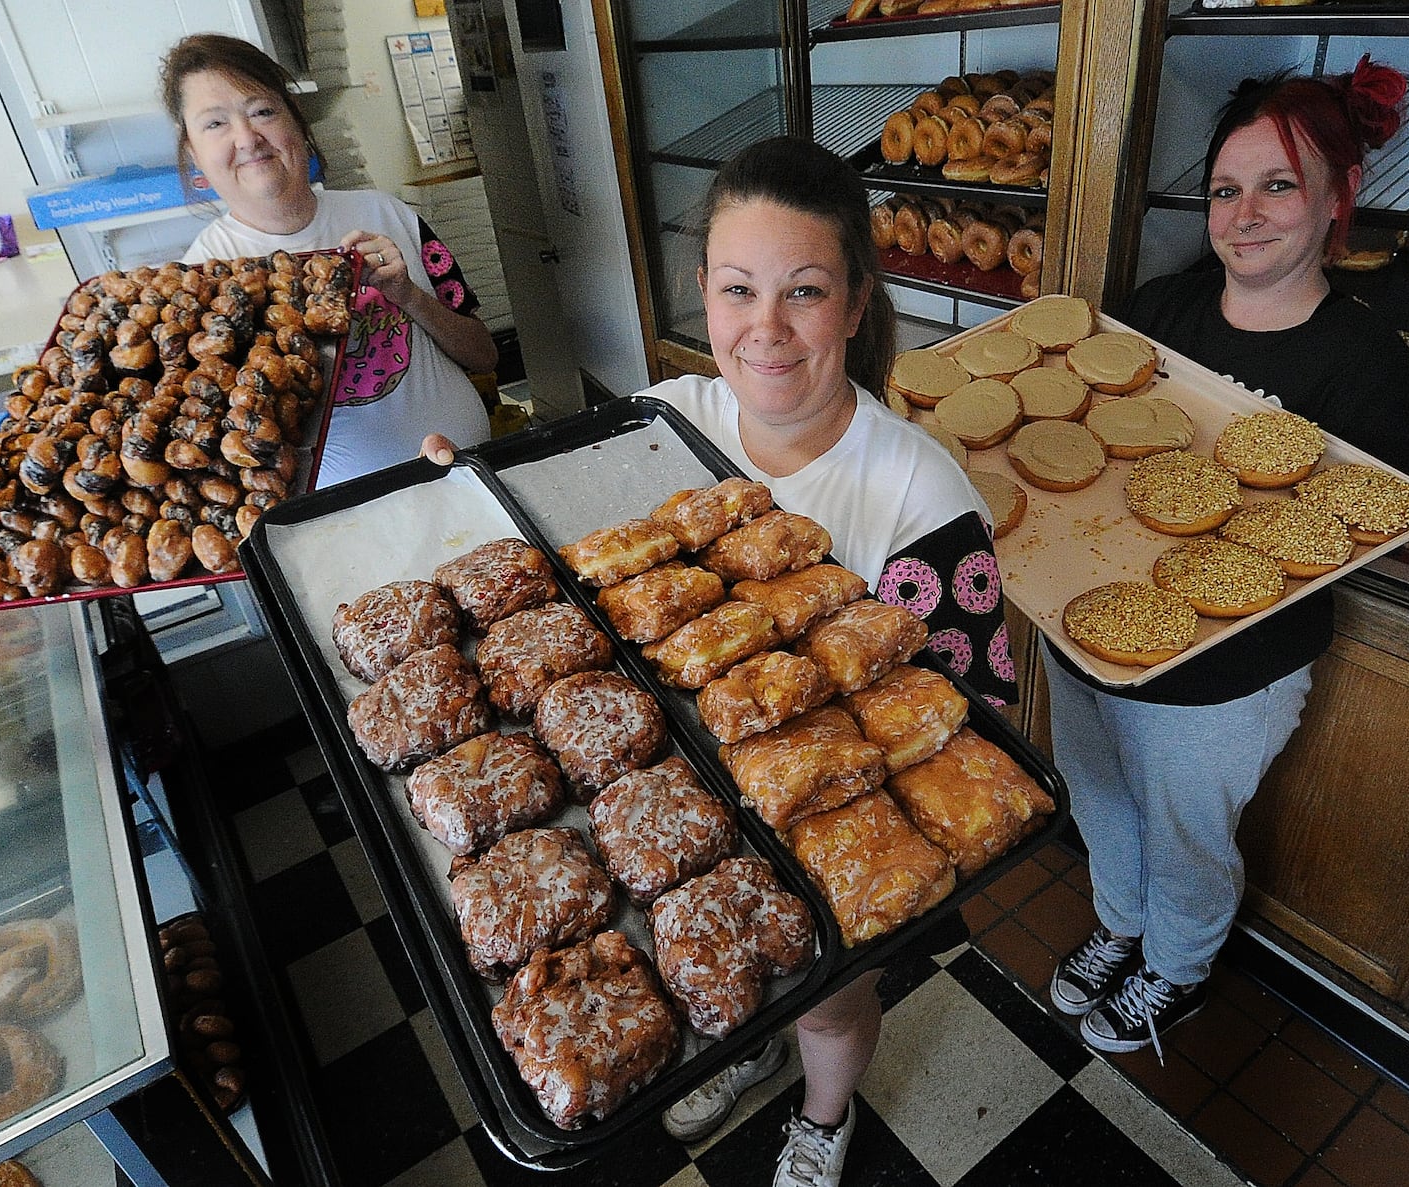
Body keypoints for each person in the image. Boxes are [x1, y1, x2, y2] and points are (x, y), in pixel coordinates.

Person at [426, 135, 1017, 1187]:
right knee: (709, 944)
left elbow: (970, 715)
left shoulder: (918, 497)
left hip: (827, 820)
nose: (767, 328)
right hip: (675, 796)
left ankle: (824, 1117)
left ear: (855, 303)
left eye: (804, 291)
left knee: (828, 993)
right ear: (702, 291)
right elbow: (571, 551)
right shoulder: (666, 421)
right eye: (739, 289)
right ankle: (744, 1040)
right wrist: (464, 489)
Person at [1043, 57, 1409, 1058]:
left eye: (1276, 185)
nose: (1243, 213)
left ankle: (1175, 963)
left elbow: (1348, 530)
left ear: (1340, 198)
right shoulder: (1155, 315)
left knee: (1186, 832)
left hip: (1226, 676)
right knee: (1100, 795)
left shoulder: (1363, 360)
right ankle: (1122, 924)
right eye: (1224, 189)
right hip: (1086, 624)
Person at [160, 33, 496, 488]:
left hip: (474, 472)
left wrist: (408, 296)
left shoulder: (387, 214)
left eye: (262, 111)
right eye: (215, 124)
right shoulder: (199, 282)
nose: (247, 138)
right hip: (342, 521)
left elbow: (484, 354)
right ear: (192, 154)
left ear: (297, 123)